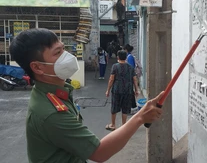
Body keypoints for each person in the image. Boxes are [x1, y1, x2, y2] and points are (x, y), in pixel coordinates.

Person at [9, 28, 163, 163]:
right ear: (37, 67)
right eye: (57, 53)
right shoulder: (51, 112)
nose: (67, 56)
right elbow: (99, 152)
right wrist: (140, 117)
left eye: (63, 49)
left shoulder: (55, 93)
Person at [105, 50, 139, 130]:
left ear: (118, 57)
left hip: (117, 90)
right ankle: (124, 126)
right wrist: (136, 90)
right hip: (128, 90)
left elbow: (111, 79)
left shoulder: (115, 66)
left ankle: (113, 125)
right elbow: (134, 79)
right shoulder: (130, 67)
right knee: (125, 108)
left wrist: (108, 90)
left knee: (114, 107)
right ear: (126, 57)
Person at [124, 44, 138, 114]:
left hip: (129, 78)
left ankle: (132, 107)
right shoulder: (129, 57)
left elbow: (131, 68)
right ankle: (132, 107)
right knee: (130, 93)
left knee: (129, 93)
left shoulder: (129, 57)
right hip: (129, 78)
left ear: (126, 50)